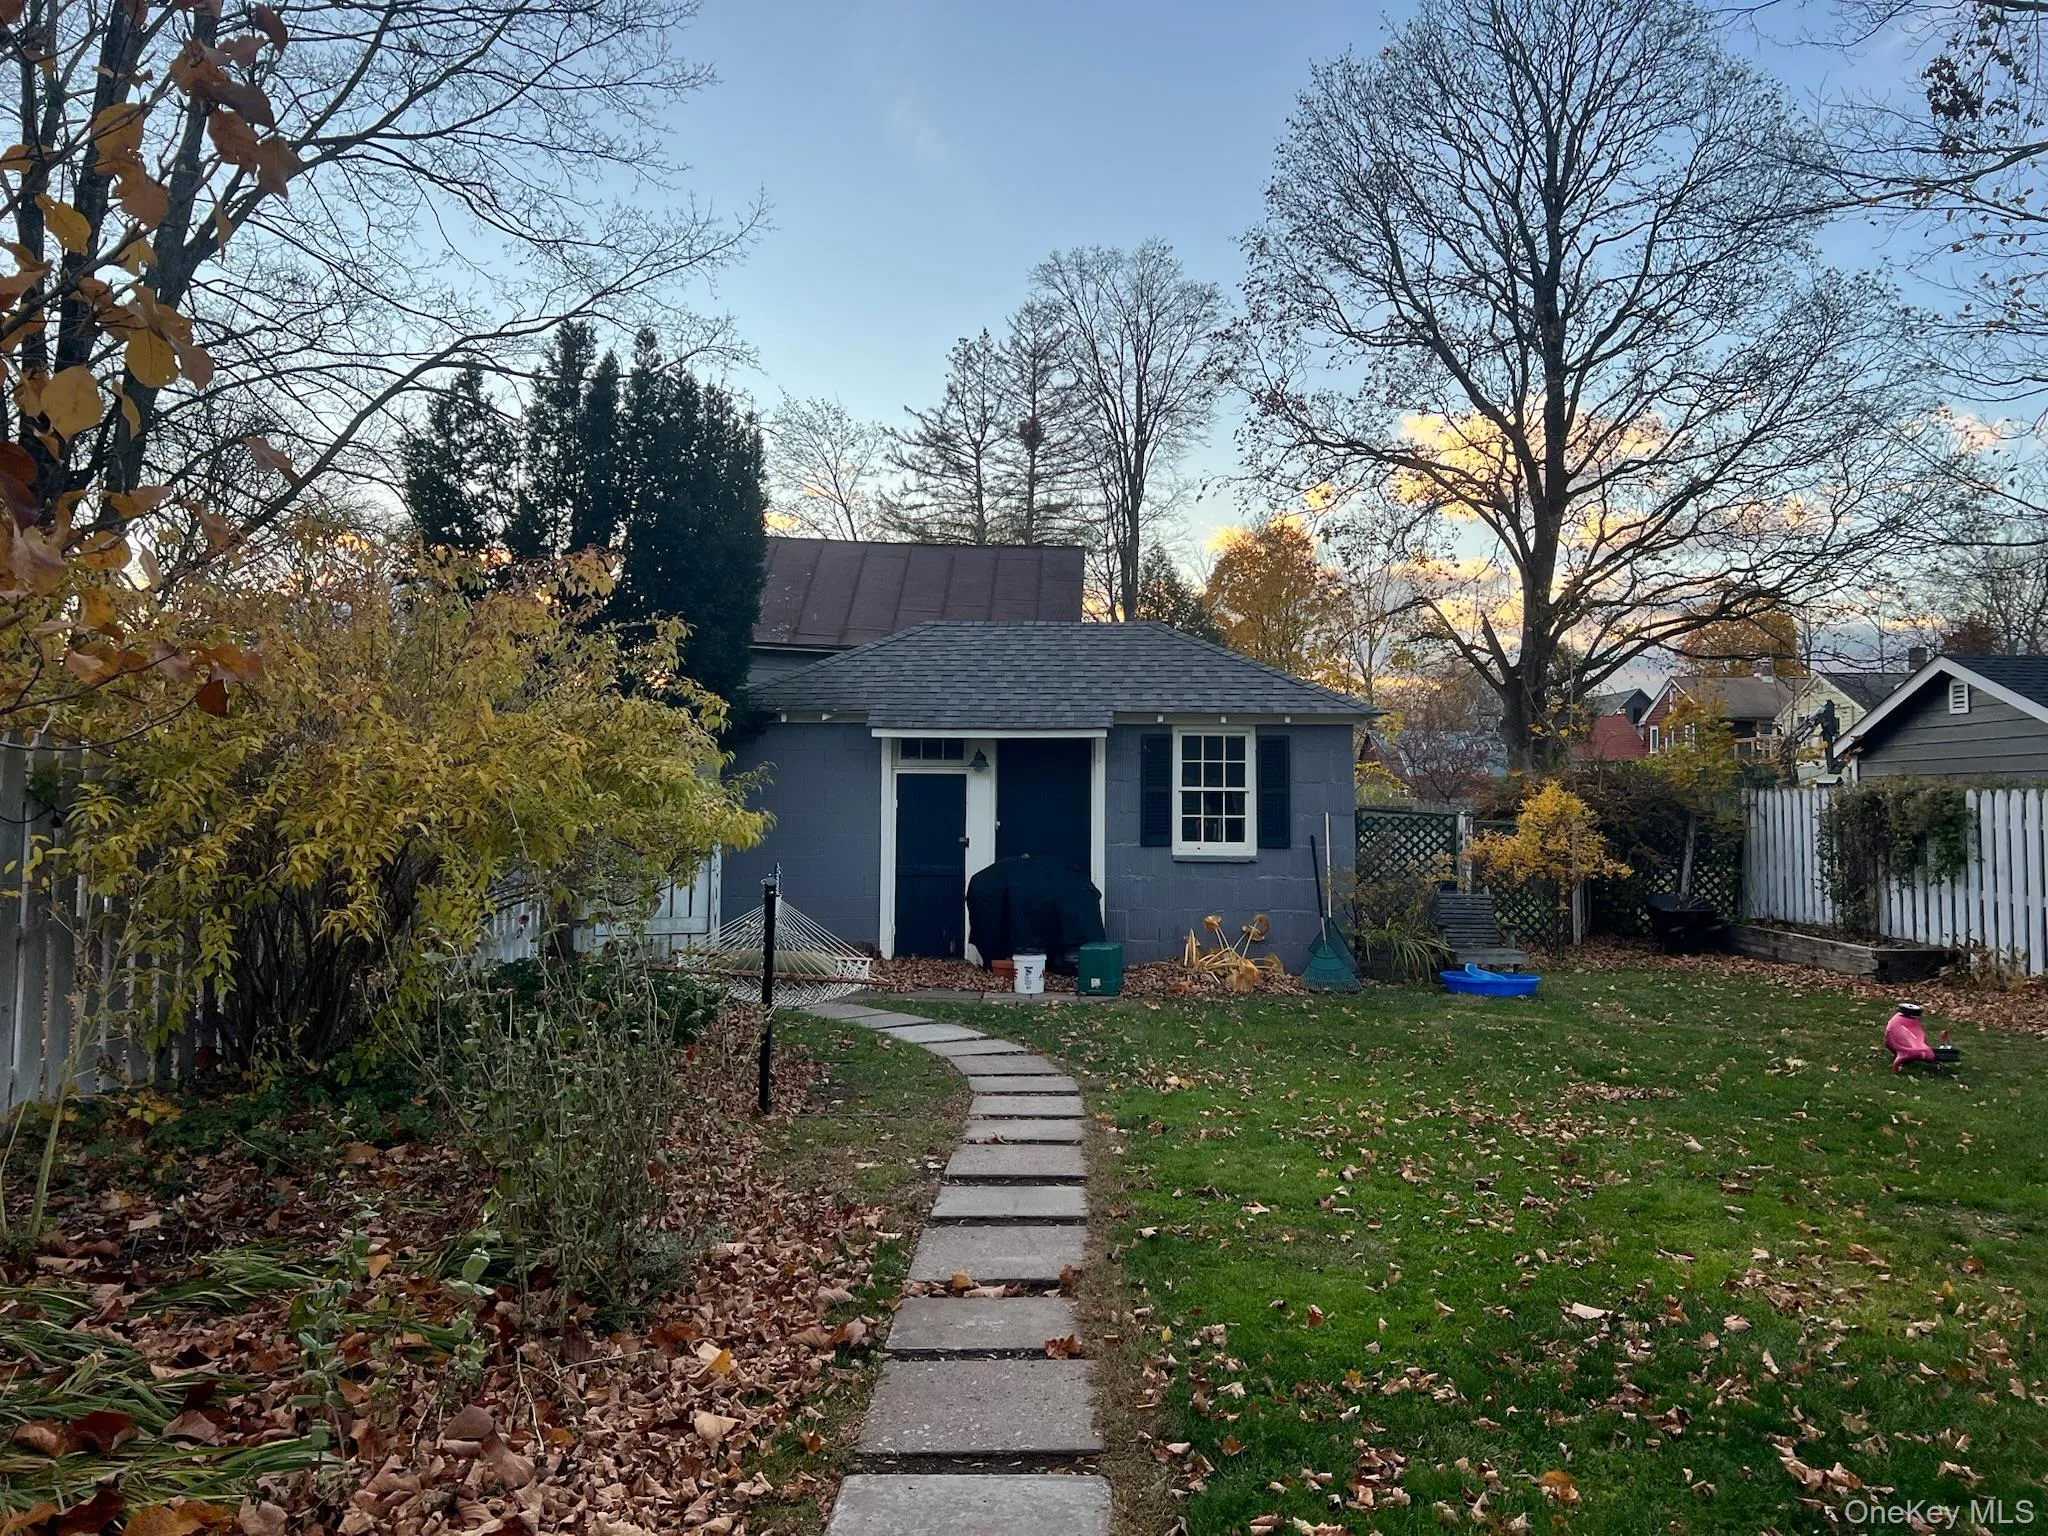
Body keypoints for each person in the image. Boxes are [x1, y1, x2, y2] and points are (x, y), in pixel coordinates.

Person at [1885, 1002, 1937, 1072]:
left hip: (1912, 1046)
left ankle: (1914, 1052)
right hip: (1900, 1045)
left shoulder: (1912, 1022)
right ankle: (1910, 1052)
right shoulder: (1896, 1021)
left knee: (1922, 1048)